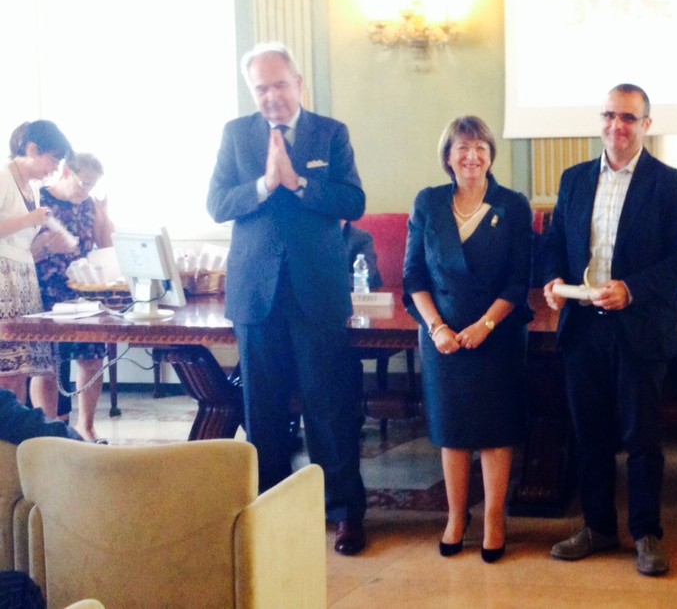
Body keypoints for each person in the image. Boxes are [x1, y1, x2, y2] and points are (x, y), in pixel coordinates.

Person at [207, 42, 369, 556]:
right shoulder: (237, 134)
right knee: (263, 411)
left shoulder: (330, 133)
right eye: (261, 88)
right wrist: (263, 184)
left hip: (317, 291)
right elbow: (217, 204)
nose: (272, 96)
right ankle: (273, 512)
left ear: (298, 83)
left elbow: (353, 201)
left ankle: (344, 513)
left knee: (329, 408)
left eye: (280, 85)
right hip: (256, 294)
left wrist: (298, 183)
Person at [541, 84, 677, 577]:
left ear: (646, 125)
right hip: (582, 327)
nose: (617, 126)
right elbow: (554, 243)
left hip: (641, 328)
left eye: (629, 117)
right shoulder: (573, 180)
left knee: (642, 438)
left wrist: (631, 289)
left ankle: (647, 533)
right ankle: (598, 527)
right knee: (589, 434)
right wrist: (552, 279)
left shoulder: (671, 184)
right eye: (610, 115)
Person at [403, 116, 533, 564]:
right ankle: (457, 516)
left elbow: (518, 280)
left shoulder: (512, 205)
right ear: (448, 156)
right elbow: (413, 276)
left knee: (497, 431)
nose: (472, 156)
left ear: (491, 155)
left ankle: (495, 518)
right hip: (443, 336)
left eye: (480, 147)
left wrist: (486, 325)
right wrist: (437, 327)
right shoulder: (428, 202)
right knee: (452, 431)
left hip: (497, 333)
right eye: (462, 147)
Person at [32, 153, 113, 441]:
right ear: (66, 171)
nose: (87, 190)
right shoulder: (39, 201)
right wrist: (47, 248)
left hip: (84, 294)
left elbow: (107, 246)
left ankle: (86, 427)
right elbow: (19, 250)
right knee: (47, 366)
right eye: (84, 183)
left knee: (92, 359)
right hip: (45, 292)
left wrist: (104, 215)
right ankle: (48, 433)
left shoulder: (90, 205)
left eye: (93, 185)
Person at [0, 120, 74, 407]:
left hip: (22, 281)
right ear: (32, 149)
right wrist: (29, 220)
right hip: (4, 284)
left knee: (22, 371)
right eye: (53, 159)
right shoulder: (3, 178)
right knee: (6, 374)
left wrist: (47, 244)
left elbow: (21, 246)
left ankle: (19, 433)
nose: (55, 169)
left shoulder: (32, 188)